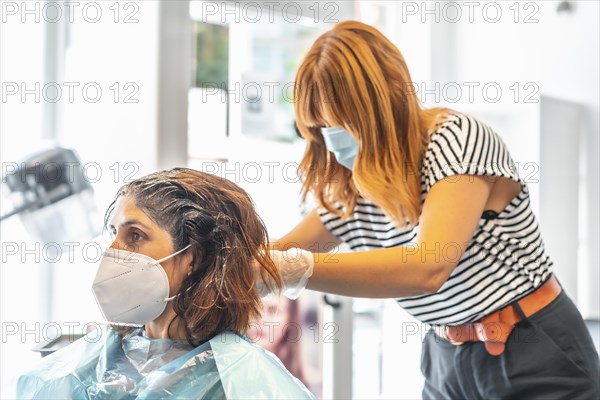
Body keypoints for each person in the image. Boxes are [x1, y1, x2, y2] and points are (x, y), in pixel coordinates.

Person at [263, 20, 600, 398]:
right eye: (320, 126)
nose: (331, 138)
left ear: (384, 102)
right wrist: (233, 268)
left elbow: (429, 266)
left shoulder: (456, 140)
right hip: (445, 358)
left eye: (340, 122)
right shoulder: (353, 186)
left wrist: (297, 269)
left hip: (531, 349)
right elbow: (281, 251)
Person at [16, 168, 315, 399]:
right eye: (113, 234)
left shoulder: (243, 377)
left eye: (135, 236)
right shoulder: (88, 362)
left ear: (193, 257)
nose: (112, 252)